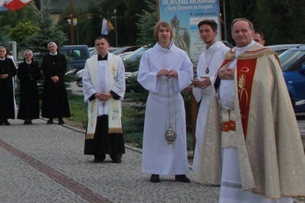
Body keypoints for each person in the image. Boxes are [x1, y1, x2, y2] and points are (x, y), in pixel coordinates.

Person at [196, 19, 305, 203]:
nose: (240, 34)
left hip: (255, 122)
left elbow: (264, 85)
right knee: (233, 165)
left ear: (251, 31)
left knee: (259, 161)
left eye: (243, 30)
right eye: (236, 31)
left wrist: (235, 74)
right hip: (231, 119)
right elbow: (220, 79)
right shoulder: (231, 55)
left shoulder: (263, 55)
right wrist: (221, 76)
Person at [138, 21, 193, 183]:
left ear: (171, 33)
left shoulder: (181, 54)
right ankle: (155, 170)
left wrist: (177, 74)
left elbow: (188, 73)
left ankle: (179, 170)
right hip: (157, 99)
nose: (164, 34)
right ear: (157, 34)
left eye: (167, 31)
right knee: (155, 135)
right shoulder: (149, 54)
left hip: (174, 98)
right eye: (161, 31)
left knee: (178, 134)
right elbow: (142, 75)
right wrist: (156, 74)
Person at [191, 19, 227, 174]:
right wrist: (197, 83)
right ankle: (203, 171)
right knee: (202, 134)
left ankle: (217, 173)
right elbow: (202, 74)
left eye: (207, 31)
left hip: (218, 100)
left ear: (215, 32)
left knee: (216, 137)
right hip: (205, 100)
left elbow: (227, 75)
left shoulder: (224, 52)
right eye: (201, 32)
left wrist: (211, 81)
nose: (204, 34)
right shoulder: (203, 54)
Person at [82, 35, 125, 163]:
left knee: (113, 124)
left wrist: (111, 93)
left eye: (102, 44)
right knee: (98, 125)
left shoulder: (117, 60)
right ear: (95, 47)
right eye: (97, 44)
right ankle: (98, 153)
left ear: (108, 45)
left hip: (111, 100)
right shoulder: (89, 62)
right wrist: (94, 94)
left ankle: (115, 153)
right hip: (96, 100)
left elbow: (121, 79)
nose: (100, 46)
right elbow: (86, 80)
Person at [41, 42, 70, 124]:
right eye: (50, 47)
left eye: (53, 46)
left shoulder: (61, 57)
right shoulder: (46, 58)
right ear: (48, 49)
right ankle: (50, 118)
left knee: (60, 99)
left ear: (56, 47)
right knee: (50, 99)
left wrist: (58, 76)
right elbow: (44, 69)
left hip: (59, 81)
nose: (51, 48)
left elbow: (64, 68)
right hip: (49, 81)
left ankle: (60, 118)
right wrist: (51, 77)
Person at [0, 46, 17, 126]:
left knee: (7, 102)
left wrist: (8, 75)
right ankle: (1, 119)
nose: (2, 53)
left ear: (5, 53)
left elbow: (14, 71)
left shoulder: (9, 61)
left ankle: (6, 118)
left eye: (3, 51)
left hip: (7, 84)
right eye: (0, 51)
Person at [17, 49, 40, 124]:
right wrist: (27, 76)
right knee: (25, 102)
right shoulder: (21, 65)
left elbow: (39, 75)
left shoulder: (35, 65)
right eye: (26, 55)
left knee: (32, 101)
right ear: (24, 56)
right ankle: (25, 118)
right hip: (24, 86)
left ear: (32, 56)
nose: (28, 56)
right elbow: (19, 75)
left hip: (33, 86)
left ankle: (31, 117)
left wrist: (33, 76)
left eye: (29, 55)